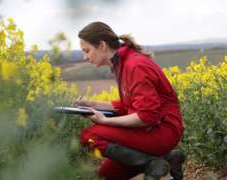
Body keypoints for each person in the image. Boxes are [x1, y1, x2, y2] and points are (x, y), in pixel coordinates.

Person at [74, 22, 185, 180]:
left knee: (89, 136)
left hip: (162, 131)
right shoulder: (122, 63)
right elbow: (129, 105)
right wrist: (92, 104)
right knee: (106, 176)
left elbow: (147, 116)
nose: (85, 57)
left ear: (102, 45)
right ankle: (167, 159)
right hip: (150, 130)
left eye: (87, 51)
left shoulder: (135, 65)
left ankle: (151, 164)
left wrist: (105, 120)